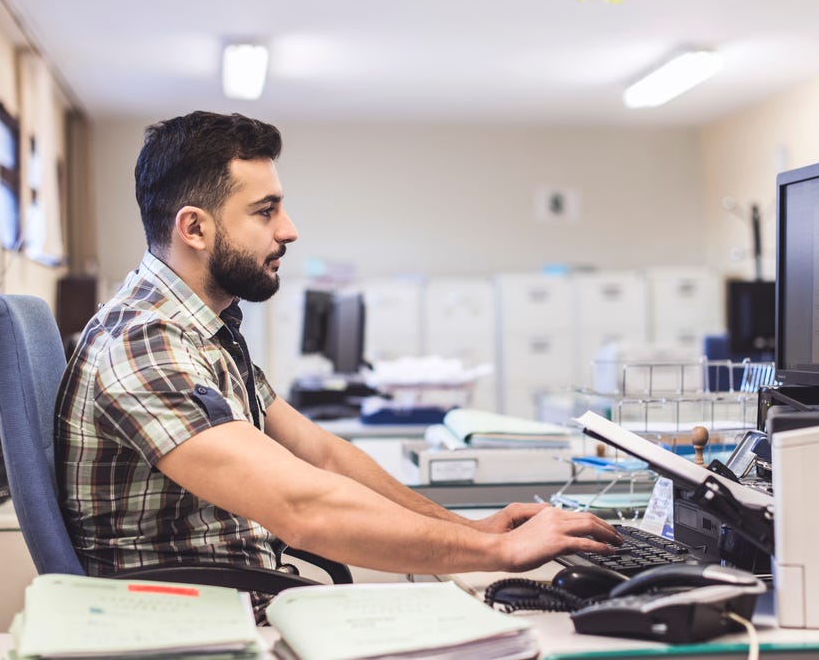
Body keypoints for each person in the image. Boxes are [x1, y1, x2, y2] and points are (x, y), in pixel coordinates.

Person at [54, 111, 619, 582]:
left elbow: (318, 453)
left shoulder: (204, 328)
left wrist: (467, 529)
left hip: (244, 602)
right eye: (265, 210)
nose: (289, 230)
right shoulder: (143, 343)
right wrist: (499, 554)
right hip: (197, 630)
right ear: (194, 229)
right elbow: (302, 509)